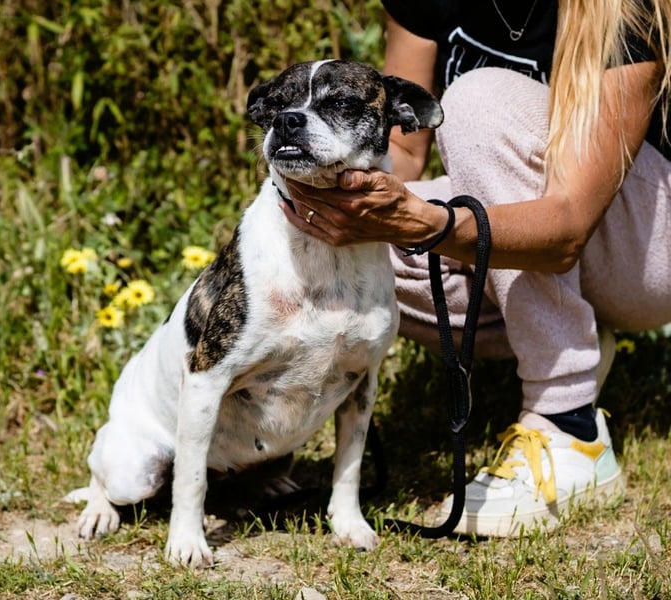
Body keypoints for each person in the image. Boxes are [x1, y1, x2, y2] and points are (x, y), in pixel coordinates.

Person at [280, 0, 671, 536]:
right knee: (347, 243)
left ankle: (569, 426)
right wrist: (347, 204)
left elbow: (569, 226)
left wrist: (429, 226)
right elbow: (401, 148)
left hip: (643, 248)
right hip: (547, 232)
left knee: (479, 101)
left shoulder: (626, 8)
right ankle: (571, 336)